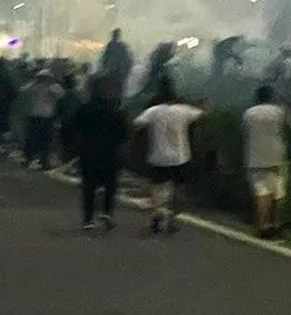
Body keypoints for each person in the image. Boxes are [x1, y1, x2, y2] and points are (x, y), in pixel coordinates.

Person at [133, 86, 205, 234]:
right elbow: (202, 115)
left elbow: (137, 123)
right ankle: (172, 219)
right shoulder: (183, 110)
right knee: (179, 188)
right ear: (175, 99)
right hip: (181, 157)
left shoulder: (154, 111)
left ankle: (157, 212)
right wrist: (203, 105)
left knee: (157, 187)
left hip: (158, 156)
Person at [72, 74, 129, 231]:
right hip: (111, 153)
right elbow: (124, 135)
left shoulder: (85, 109)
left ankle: (88, 219)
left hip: (88, 152)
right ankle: (107, 213)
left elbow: (76, 129)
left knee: (89, 186)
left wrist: (75, 148)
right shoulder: (116, 111)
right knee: (111, 184)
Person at [242, 85, 291, 238]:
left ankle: (262, 226)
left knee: (261, 192)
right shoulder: (280, 111)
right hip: (277, 156)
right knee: (277, 192)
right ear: (271, 96)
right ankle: (276, 224)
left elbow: (245, 133)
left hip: (255, 157)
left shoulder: (248, 113)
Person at [21, 70, 64, 170]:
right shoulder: (33, 86)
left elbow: (61, 94)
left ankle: (43, 161)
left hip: (45, 118)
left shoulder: (52, 87)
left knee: (44, 141)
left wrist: (49, 85)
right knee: (34, 140)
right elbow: (23, 90)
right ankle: (31, 159)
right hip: (36, 117)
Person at [99, 29, 133, 100]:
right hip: (114, 71)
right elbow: (105, 58)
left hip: (117, 71)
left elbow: (105, 58)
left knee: (116, 87)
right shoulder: (115, 45)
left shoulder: (117, 46)